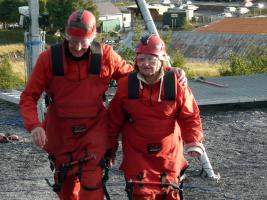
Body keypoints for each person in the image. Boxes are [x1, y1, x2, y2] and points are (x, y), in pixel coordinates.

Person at [19, 10, 186, 200]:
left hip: (94, 132)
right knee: (65, 186)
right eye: (73, 41)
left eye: (84, 41)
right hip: (60, 133)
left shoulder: (106, 55)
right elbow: (28, 97)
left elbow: (134, 74)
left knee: (92, 187)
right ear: (65, 35)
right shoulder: (48, 59)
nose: (78, 47)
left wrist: (165, 71)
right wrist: (34, 126)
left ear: (93, 37)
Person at [107, 34, 205, 200]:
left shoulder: (176, 84)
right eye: (142, 59)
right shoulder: (126, 85)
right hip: (137, 156)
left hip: (169, 155)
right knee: (140, 195)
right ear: (136, 60)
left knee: (171, 193)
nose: (146, 64)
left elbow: (190, 116)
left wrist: (194, 142)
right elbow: (113, 121)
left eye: (152, 59)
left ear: (162, 60)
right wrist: (109, 151)